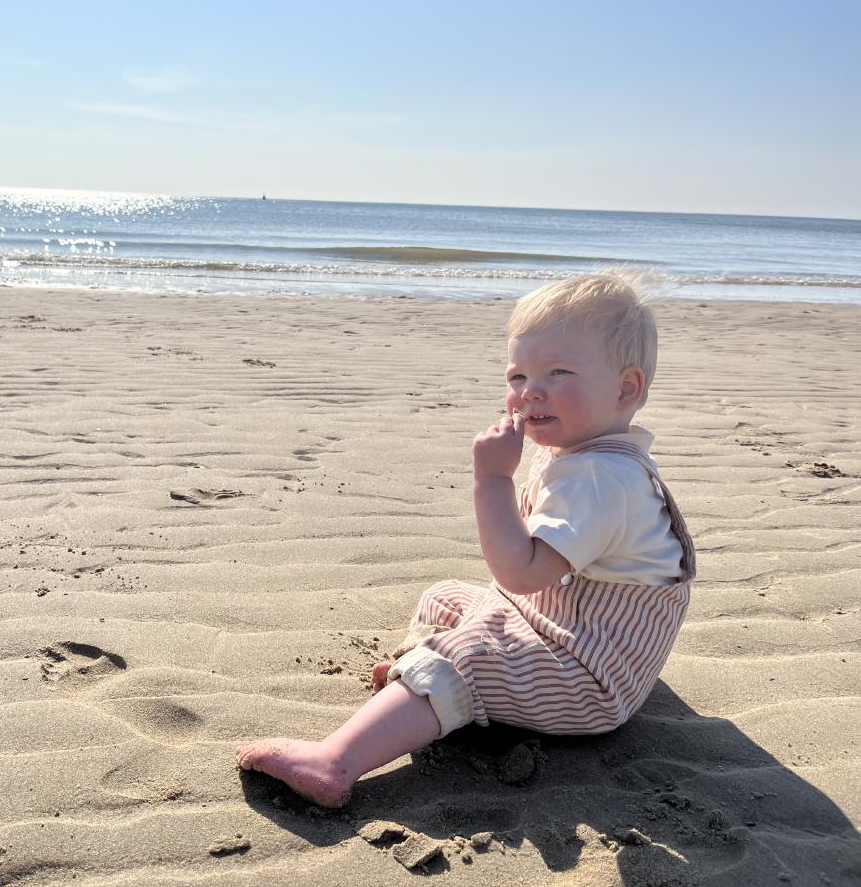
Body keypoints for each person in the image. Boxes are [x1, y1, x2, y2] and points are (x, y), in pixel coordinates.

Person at [236, 271, 695, 807]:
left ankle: (336, 761)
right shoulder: (587, 455)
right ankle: (427, 695)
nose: (530, 391)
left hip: (590, 679)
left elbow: (520, 574)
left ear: (626, 388)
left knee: (464, 656)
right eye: (518, 375)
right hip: (563, 629)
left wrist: (493, 479)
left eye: (559, 372)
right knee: (445, 598)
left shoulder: (600, 479)